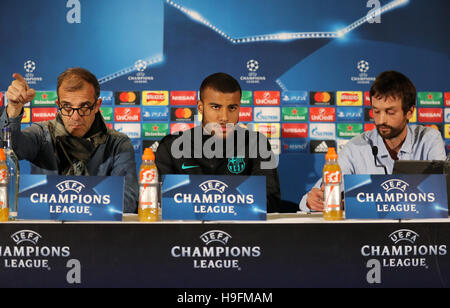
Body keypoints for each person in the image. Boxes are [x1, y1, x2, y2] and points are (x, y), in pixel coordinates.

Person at [300, 70, 446, 212]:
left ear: (410, 112)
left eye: (390, 112)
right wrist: (312, 200)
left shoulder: (429, 138)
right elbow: (319, 193)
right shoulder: (355, 147)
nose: (381, 120)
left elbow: (443, 193)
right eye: (376, 111)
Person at [2, 68, 138, 213]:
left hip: (98, 232)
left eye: (84, 106)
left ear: (97, 106)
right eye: (67, 106)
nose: (75, 117)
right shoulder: (42, 134)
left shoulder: (118, 144)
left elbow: (128, 201)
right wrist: (14, 109)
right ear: (58, 104)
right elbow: (10, 148)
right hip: (46, 232)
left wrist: (61, 202)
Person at [155, 72, 282, 212]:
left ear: (239, 107)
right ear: (200, 107)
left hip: (243, 231)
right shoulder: (171, 146)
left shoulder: (257, 144)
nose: (224, 117)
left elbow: (270, 200)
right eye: (216, 107)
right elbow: (159, 202)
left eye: (232, 108)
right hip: (184, 232)